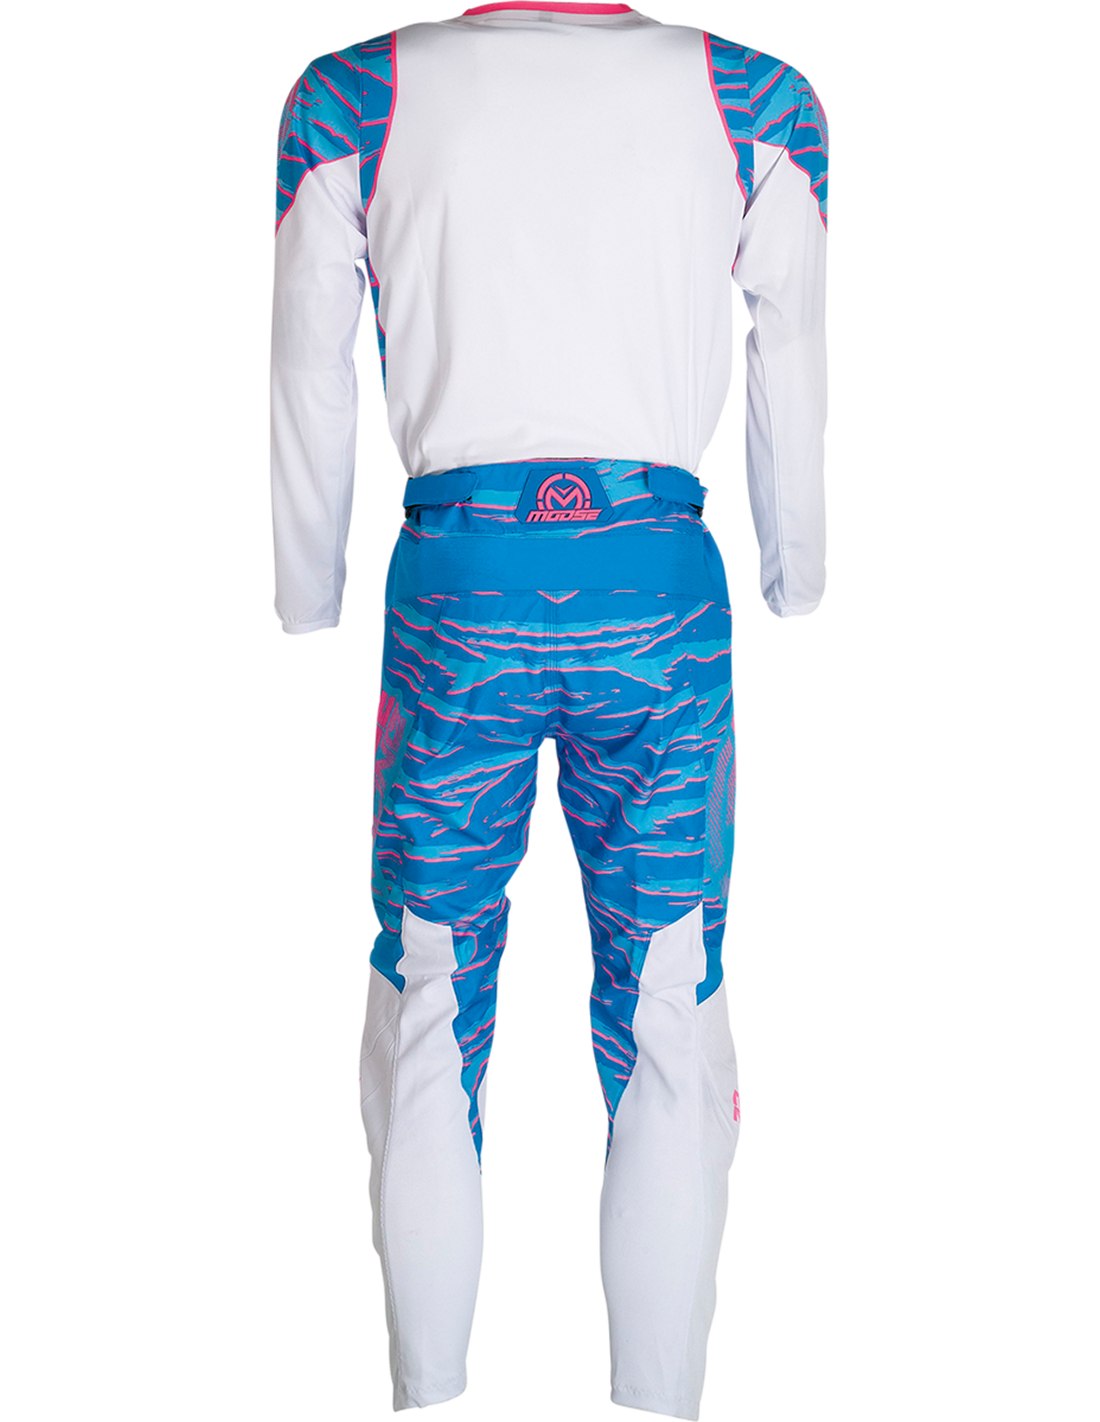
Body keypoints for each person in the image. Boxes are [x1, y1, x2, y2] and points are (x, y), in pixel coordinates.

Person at [269, 5, 828, 1418]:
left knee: (429, 992)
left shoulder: (353, 95)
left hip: (457, 585)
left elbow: (307, 355)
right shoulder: (754, 96)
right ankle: (656, 1395)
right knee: (669, 1001)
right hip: (659, 586)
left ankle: (426, 1388)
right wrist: (796, 567)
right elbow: (794, 348)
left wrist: (306, 587)